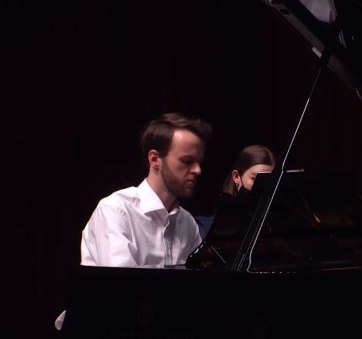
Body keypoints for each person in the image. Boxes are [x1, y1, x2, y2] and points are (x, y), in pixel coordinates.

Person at [80, 112, 213, 267]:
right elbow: (119, 286)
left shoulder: (188, 223)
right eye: (187, 161)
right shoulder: (115, 211)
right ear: (155, 159)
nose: (198, 170)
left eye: (199, 162)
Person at [195, 145, 276, 238]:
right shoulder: (206, 225)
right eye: (255, 178)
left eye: (268, 179)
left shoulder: (274, 218)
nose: (262, 185)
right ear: (236, 176)